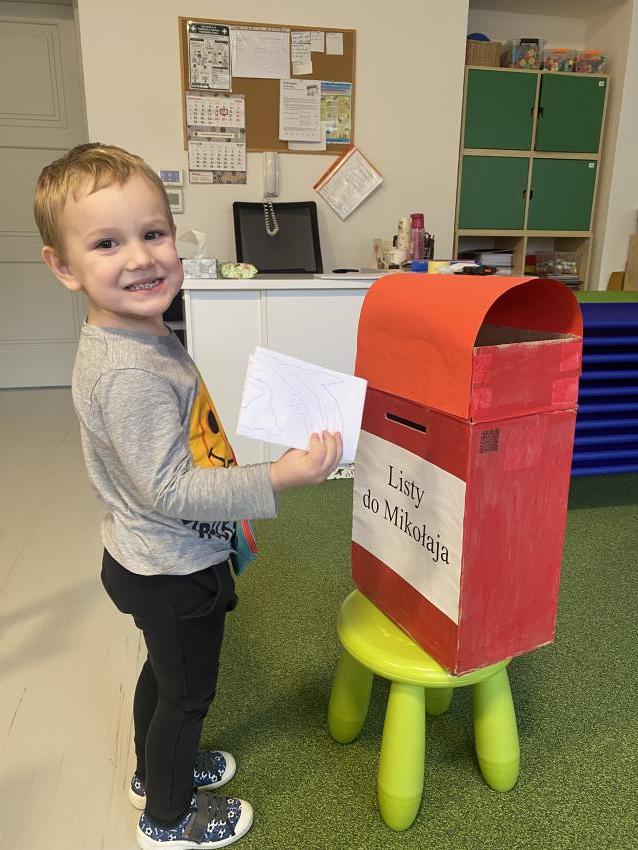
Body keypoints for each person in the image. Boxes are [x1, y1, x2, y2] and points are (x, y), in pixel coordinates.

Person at [34, 143, 343, 850]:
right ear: (63, 266)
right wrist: (278, 476)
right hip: (170, 568)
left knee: (164, 674)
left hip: (154, 557)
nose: (140, 257)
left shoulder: (136, 334)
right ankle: (168, 817)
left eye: (154, 233)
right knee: (187, 695)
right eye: (107, 243)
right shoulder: (128, 373)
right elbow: (170, 487)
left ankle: (155, 771)